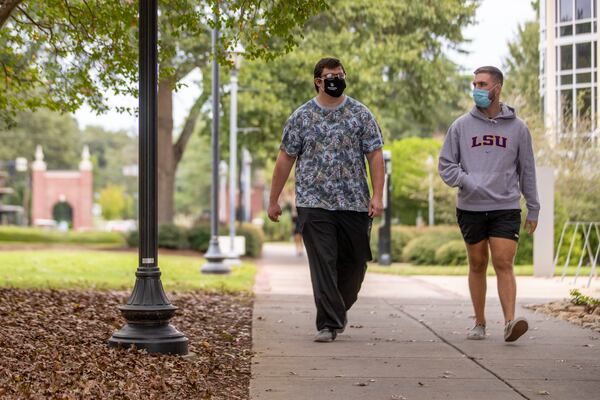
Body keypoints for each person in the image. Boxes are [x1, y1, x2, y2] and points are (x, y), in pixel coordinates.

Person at [268, 57, 385, 342]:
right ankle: (328, 323)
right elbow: (285, 159)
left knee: (355, 264)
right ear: (318, 81)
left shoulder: (361, 114)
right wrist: (273, 200)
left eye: (340, 75)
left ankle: (337, 307)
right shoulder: (301, 117)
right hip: (313, 203)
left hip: (354, 203)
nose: (335, 80)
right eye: (329, 76)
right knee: (323, 260)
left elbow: (375, 155)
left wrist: (378, 195)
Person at [438, 66, 540, 343]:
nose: (477, 89)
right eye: (474, 83)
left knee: (504, 262)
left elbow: (527, 169)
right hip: (470, 207)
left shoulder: (518, 128)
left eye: (482, 84)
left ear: (497, 88)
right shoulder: (460, 126)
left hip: (505, 206)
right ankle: (479, 323)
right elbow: (446, 165)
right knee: (477, 263)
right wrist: (468, 181)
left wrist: (534, 207)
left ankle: (510, 322)